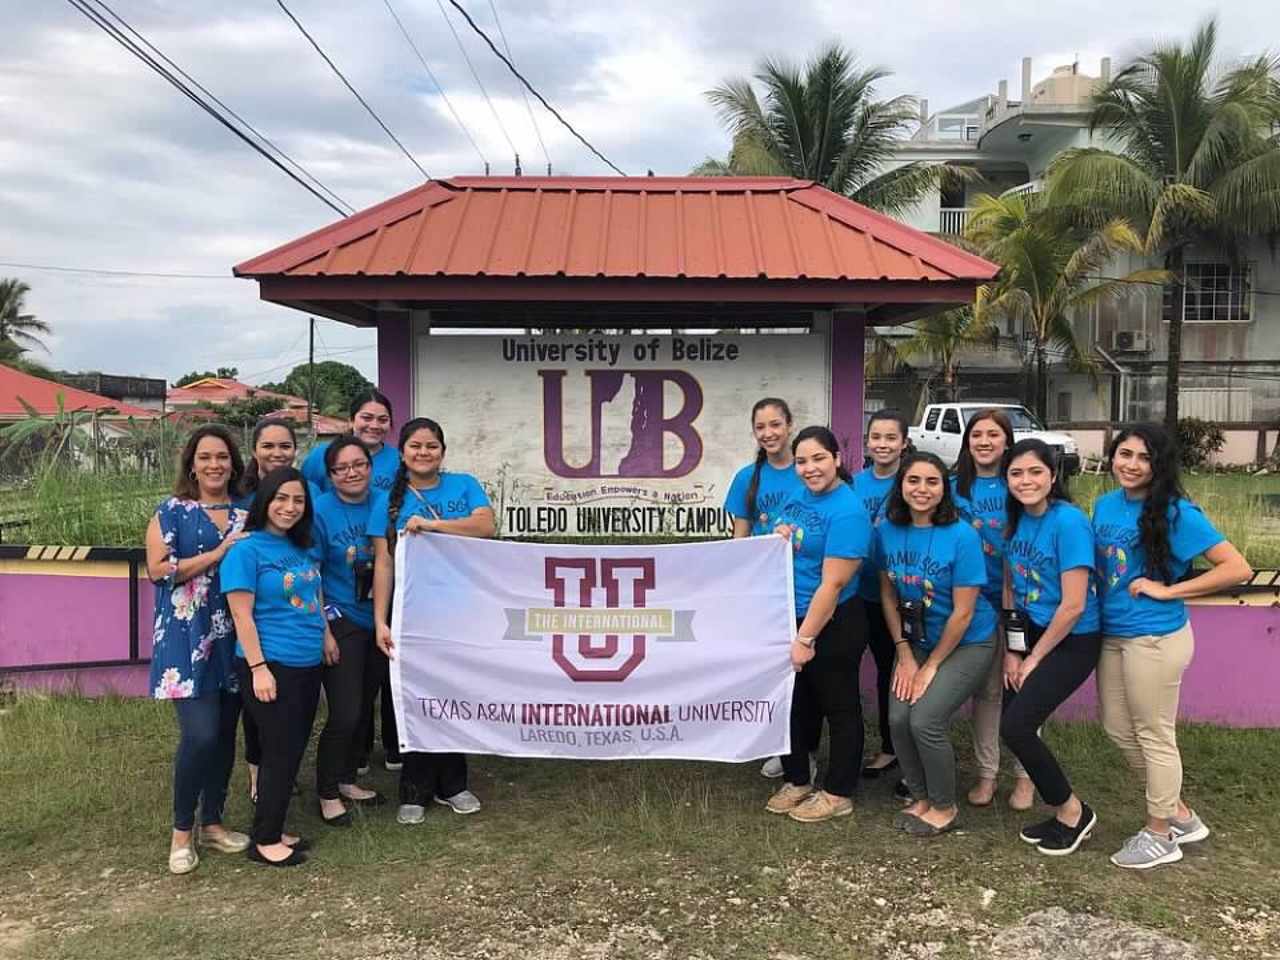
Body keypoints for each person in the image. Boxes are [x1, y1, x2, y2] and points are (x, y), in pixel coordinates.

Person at [1093, 424, 1251, 869]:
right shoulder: (1104, 505)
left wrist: (1168, 590)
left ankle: (1160, 832)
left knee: (1155, 734)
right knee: (1117, 728)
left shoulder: (1177, 513)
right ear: (1112, 456)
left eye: (1144, 458)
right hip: (1114, 633)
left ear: (1159, 466)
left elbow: (1235, 567)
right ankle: (1180, 814)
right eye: (1124, 454)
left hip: (1156, 637)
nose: (1131, 465)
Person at [369, 417, 497, 824]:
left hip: (462, 610)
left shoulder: (463, 485)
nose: (423, 453)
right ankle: (415, 787)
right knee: (418, 697)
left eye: (431, 446)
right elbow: (383, 564)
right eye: (415, 446)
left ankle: (453, 784)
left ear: (443, 451)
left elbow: (486, 526)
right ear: (402, 452)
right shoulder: (386, 499)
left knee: (455, 693)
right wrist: (380, 621)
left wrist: (433, 525)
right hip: (412, 614)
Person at [145, 425, 252, 875]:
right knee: (201, 735)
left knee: (226, 736)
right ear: (192, 463)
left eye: (223, 457)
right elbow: (158, 570)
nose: (215, 465)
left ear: (233, 463)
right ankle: (181, 831)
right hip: (186, 641)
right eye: (206, 457)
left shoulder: (248, 511)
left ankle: (213, 821)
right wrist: (220, 552)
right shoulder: (170, 512)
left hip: (236, 637)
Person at [878, 452, 998, 837]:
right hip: (915, 640)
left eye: (932, 482)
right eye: (914, 481)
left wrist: (930, 666)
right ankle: (921, 798)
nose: (922, 489)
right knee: (897, 718)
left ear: (944, 489)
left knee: (925, 719)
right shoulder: (887, 530)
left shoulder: (962, 535)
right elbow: (887, 594)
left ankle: (945, 806)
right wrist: (904, 653)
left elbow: (963, 614)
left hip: (967, 641)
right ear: (901, 486)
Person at [999, 439, 1103, 856]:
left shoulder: (1070, 522)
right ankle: (1064, 810)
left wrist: (1035, 658)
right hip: (1029, 635)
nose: (1026, 481)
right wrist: (1012, 651)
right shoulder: (1016, 520)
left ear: (1053, 475)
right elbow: (1010, 587)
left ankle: (1073, 812)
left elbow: (1074, 604)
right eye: (1016, 473)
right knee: (1015, 727)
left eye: (1035, 472)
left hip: (1071, 641)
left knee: (1017, 727)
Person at [766, 426, 873, 824]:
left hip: (832, 619)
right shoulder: (800, 494)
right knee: (795, 702)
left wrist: (806, 637)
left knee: (838, 705)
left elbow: (834, 582)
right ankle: (798, 779)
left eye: (818, 459)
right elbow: (779, 534)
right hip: (789, 612)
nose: (810, 468)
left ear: (837, 459)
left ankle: (838, 791)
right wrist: (778, 533)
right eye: (802, 461)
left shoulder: (848, 511)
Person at [223, 467, 328, 867]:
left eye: (298, 500)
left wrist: (325, 638)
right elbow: (242, 615)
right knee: (280, 752)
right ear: (265, 500)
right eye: (282, 498)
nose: (290, 507)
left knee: (290, 749)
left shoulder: (300, 546)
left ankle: (274, 825)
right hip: (272, 665)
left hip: (306, 663)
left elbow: (314, 596)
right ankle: (265, 841)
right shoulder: (246, 550)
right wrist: (259, 668)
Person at [723, 397, 809, 781]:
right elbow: (739, 540)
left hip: (805, 588)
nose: (769, 433)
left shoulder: (807, 471)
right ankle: (780, 745)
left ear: (789, 426)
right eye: (761, 427)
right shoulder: (746, 478)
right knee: (773, 671)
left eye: (776, 424)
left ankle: (805, 751)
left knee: (806, 676)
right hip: (765, 593)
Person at [953, 409, 1034, 811]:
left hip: (1023, 606)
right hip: (974, 607)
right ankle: (986, 773)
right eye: (977, 434)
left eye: (993, 434)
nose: (984, 441)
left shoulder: (1021, 483)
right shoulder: (953, 487)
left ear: (1007, 441)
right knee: (986, 694)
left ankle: (1025, 776)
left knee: (1022, 691)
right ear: (967, 442)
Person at [311, 435, 385, 825]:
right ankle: (326, 792)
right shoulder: (319, 511)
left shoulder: (387, 503)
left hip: (380, 618)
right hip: (341, 618)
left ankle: (345, 779)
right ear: (331, 474)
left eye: (359, 465)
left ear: (370, 468)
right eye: (342, 468)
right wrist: (324, 627)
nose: (352, 473)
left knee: (362, 706)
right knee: (344, 711)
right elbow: (311, 572)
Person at [235, 418, 302, 803]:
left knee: (283, 702)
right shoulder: (239, 497)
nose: (277, 453)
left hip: (285, 611)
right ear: (254, 450)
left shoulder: (298, 491)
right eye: (269, 446)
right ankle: (259, 775)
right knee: (254, 701)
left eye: (285, 446)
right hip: (244, 604)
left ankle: (280, 769)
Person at [849, 409, 909, 783]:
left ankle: (895, 748)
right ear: (866, 442)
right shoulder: (853, 484)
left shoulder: (915, 481)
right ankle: (850, 747)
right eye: (876, 437)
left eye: (891, 438)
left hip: (900, 598)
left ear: (904, 442)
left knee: (894, 674)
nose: (883, 444)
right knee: (845, 672)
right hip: (857, 593)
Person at [301, 389, 399, 495]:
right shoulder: (321, 455)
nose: (375, 426)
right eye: (367, 418)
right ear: (351, 421)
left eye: (383, 420)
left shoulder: (400, 460)